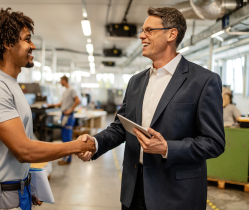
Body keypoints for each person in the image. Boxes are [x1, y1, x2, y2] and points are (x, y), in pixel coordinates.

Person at [78, 7, 225, 210]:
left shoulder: (203, 81)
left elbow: (213, 142)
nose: (141, 36)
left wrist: (167, 148)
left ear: (171, 34)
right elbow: (121, 127)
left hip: (176, 194)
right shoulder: (136, 81)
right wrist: (94, 143)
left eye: (149, 30)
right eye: (142, 31)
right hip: (134, 190)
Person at [0, 8, 95, 210]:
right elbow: (23, 150)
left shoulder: (11, 84)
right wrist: (77, 146)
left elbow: (20, 148)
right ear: (8, 43)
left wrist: (27, 185)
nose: (33, 46)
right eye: (27, 39)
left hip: (15, 191)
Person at [47, 75, 81, 165]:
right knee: (64, 138)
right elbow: (62, 103)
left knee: (67, 139)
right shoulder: (65, 91)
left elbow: (78, 101)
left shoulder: (71, 90)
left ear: (64, 80)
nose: (60, 82)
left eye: (60, 80)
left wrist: (70, 110)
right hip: (64, 116)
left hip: (68, 116)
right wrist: (51, 105)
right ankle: (66, 158)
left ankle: (67, 159)